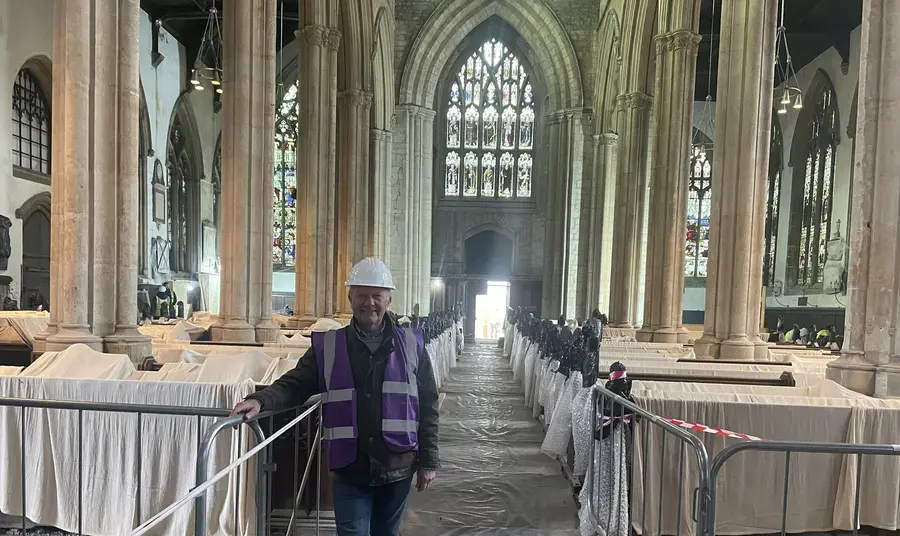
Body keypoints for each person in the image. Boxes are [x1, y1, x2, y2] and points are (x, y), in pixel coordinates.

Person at [230, 257, 440, 536]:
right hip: (349, 467)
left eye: (377, 296)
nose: (369, 303)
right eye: (361, 296)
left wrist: (428, 461)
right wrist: (262, 400)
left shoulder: (412, 345)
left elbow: (428, 405)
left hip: (397, 466)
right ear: (350, 298)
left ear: (389, 300)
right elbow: (295, 384)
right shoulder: (329, 346)